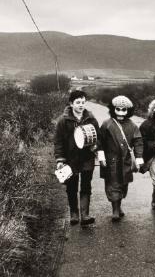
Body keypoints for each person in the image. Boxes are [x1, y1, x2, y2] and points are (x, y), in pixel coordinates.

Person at [54, 90, 103, 226]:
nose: (81, 105)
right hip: (70, 159)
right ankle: (74, 214)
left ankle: (85, 215)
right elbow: (58, 142)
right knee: (71, 186)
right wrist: (60, 159)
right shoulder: (63, 121)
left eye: (83, 102)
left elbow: (98, 138)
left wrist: (95, 147)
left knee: (86, 185)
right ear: (71, 103)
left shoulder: (91, 119)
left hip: (87, 158)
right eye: (78, 102)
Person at [100, 95, 144, 222]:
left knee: (123, 184)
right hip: (111, 161)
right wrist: (101, 156)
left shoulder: (132, 126)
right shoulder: (106, 124)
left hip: (126, 161)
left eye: (124, 110)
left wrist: (139, 158)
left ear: (128, 111)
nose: (120, 112)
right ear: (113, 109)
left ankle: (119, 207)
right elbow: (99, 141)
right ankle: (115, 210)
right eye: (117, 109)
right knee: (113, 184)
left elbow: (138, 142)